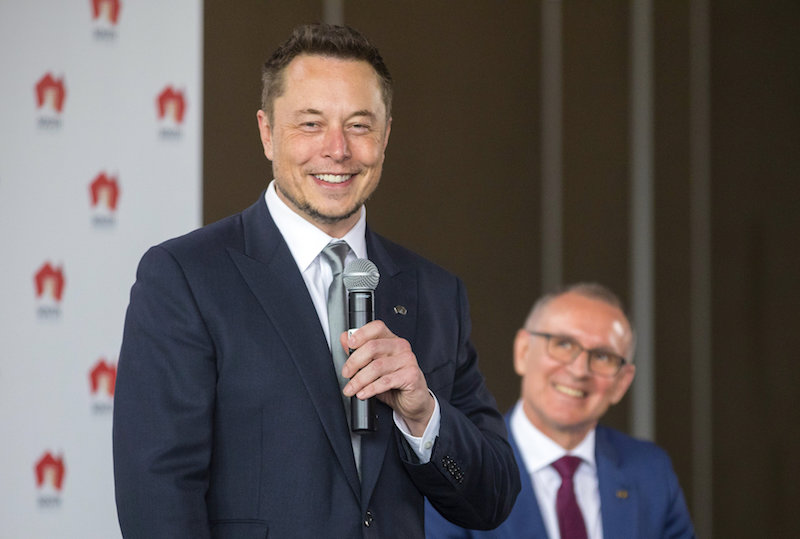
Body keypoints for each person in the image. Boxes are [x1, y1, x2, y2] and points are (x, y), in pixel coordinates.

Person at [112, 23, 519, 538]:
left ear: (386, 135)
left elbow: (494, 498)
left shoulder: (436, 293)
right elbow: (158, 498)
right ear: (266, 132)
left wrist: (424, 414)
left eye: (359, 125)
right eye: (310, 124)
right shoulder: (186, 278)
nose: (337, 150)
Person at [425, 283, 695, 538]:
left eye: (602, 356)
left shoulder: (651, 471)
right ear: (523, 352)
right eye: (563, 344)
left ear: (622, 382)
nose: (579, 371)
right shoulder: (456, 466)